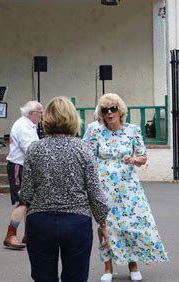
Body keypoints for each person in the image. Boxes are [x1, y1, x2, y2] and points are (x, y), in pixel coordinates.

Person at [19, 96, 109, 281]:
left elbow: (26, 193)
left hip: (41, 222)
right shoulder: (83, 149)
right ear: (73, 118)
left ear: (47, 119)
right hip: (76, 222)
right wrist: (103, 222)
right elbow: (94, 191)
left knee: (44, 277)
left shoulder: (34, 149)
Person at [87, 93, 169, 282]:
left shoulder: (133, 130)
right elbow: (90, 159)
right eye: (105, 110)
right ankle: (108, 267)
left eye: (113, 109)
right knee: (105, 226)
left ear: (120, 110)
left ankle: (133, 265)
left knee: (130, 224)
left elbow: (143, 158)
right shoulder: (97, 132)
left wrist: (133, 159)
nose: (109, 113)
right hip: (104, 186)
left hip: (128, 188)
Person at [3, 100, 43, 249]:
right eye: (40, 112)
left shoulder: (29, 125)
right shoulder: (23, 126)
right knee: (23, 201)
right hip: (18, 167)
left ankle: (29, 234)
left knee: (30, 202)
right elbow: (30, 150)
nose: (42, 115)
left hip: (26, 166)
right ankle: (10, 235)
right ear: (31, 113)